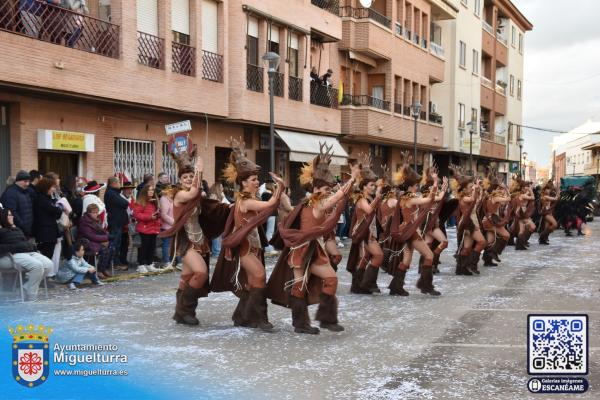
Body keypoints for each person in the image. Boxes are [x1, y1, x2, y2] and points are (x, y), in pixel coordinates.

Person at [267, 143, 359, 334]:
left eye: (329, 189)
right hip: (301, 250)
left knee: (330, 279)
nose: (329, 192)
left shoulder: (310, 203)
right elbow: (337, 197)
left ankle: (325, 319)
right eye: (326, 189)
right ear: (316, 189)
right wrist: (353, 180)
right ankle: (302, 323)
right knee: (300, 284)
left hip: (313, 249)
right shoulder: (315, 204)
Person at [211, 139, 284, 332]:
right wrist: (280, 187)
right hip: (245, 249)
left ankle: (242, 316)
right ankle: (259, 319)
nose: (257, 182)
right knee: (259, 277)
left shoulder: (252, 198)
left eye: (257, 179)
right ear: (243, 183)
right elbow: (270, 206)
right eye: (253, 180)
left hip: (255, 247)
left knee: (254, 283)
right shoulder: (244, 201)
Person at [159, 147, 229, 326]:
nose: (189, 179)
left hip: (200, 240)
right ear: (180, 180)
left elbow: (206, 207)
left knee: (187, 278)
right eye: (185, 177)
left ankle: (180, 314)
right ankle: (185, 310)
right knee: (201, 273)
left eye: (191, 176)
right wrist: (198, 169)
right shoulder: (181, 194)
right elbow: (192, 193)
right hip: (186, 241)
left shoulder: (196, 197)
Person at [395, 156, 440, 294]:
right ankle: (425, 285)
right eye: (416, 186)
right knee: (429, 256)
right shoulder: (410, 198)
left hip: (408, 230)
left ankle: (396, 287)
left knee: (407, 260)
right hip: (411, 232)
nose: (417, 187)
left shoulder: (405, 197)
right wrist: (436, 182)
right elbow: (429, 200)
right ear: (410, 186)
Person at [347, 153, 384, 295]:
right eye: (371, 185)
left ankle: (359, 285)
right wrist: (378, 198)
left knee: (364, 258)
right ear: (364, 187)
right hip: (364, 233)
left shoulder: (369, 197)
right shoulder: (362, 199)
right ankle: (365, 283)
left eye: (374, 185)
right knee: (378, 256)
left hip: (371, 232)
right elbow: (369, 210)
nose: (373, 187)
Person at [0, 207, 52, 301]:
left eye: (12, 214)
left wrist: (31, 246)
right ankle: (31, 295)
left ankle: (25, 288)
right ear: (4, 217)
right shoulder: (1, 232)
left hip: (27, 252)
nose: (12, 216)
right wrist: (17, 247)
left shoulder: (17, 229)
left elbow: (24, 242)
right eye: (9, 215)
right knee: (37, 266)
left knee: (49, 265)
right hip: (14, 255)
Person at [451, 165, 485, 276]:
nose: (472, 188)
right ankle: (472, 263)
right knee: (482, 242)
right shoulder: (464, 198)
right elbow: (473, 200)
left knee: (467, 247)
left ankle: (461, 268)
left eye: (472, 186)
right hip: (468, 223)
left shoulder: (469, 195)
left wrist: (478, 187)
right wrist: (476, 190)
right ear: (465, 189)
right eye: (470, 186)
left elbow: (478, 200)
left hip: (471, 222)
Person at [481, 170, 512, 266]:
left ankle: (487, 260)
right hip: (491, 221)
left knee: (490, 241)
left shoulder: (489, 196)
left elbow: (504, 202)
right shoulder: (495, 198)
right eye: (499, 188)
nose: (500, 189)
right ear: (495, 188)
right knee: (506, 235)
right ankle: (494, 253)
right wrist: (505, 189)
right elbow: (508, 199)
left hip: (487, 220)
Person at [33, 177, 63, 267]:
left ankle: (44, 278)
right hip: (45, 234)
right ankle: (42, 279)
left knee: (48, 257)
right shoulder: (41, 199)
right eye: (52, 187)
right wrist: (59, 209)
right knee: (46, 257)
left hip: (50, 233)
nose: (54, 189)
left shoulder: (48, 198)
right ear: (45, 188)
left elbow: (56, 212)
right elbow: (56, 211)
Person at [132, 184, 161, 273]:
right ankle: (141, 265)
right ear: (145, 191)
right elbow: (137, 214)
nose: (151, 192)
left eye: (152, 190)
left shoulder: (155, 202)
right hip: (144, 228)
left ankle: (149, 263)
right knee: (144, 247)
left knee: (152, 247)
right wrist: (149, 217)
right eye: (149, 190)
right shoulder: (141, 202)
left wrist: (158, 215)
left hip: (154, 227)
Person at [77, 203, 112, 279]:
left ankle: (104, 268)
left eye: (97, 212)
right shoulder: (84, 222)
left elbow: (101, 231)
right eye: (94, 212)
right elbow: (91, 236)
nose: (96, 214)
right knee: (104, 249)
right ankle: (99, 270)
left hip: (95, 241)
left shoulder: (95, 220)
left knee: (111, 246)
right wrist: (105, 239)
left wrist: (107, 236)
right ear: (89, 213)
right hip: (86, 243)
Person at [104, 176, 130, 270]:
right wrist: (125, 203)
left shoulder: (115, 192)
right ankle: (113, 263)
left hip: (118, 222)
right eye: (119, 182)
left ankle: (115, 263)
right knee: (114, 244)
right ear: (113, 184)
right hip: (115, 222)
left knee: (118, 244)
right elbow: (125, 203)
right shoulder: (111, 193)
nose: (120, 184)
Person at [0, 170, 34, 238]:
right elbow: (12, 213)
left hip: (25, 231)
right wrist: (23, 227)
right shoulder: (10, 193)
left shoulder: (25, 192)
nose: (27, 184)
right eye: (25, 181)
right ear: (18, 181)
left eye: (28, 181)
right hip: (18, 232)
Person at [208, 182, 230, 258]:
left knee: (220, 235)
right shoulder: (213, 196)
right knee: (217, 236)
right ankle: (216, 252)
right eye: (221, 187)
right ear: (217, 187)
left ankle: (218, 252)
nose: (222, 188)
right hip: (215, 219)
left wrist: (223, 197)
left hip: (220, 218)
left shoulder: (221, 195)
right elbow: (215, 207)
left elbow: (227, 204)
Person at [538, 180, 559, 245]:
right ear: (544, 190)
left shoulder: (546, 196)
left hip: (549, 212)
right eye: (547, 189)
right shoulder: (545, 196)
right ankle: (542, 236)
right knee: (555, 225)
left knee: (546, 227)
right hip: (546, 213)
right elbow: (555, 199)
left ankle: (543, 240)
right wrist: (558, 191)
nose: (548, 190)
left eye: (549, 189)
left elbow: (554, 199)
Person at [261, 181, 278, 255]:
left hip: (265, 215)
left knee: (266, 231)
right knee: (270, 232)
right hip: (271, 214)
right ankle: (269, 248)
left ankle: (266, 247)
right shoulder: (271, 195)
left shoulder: (263, 195)